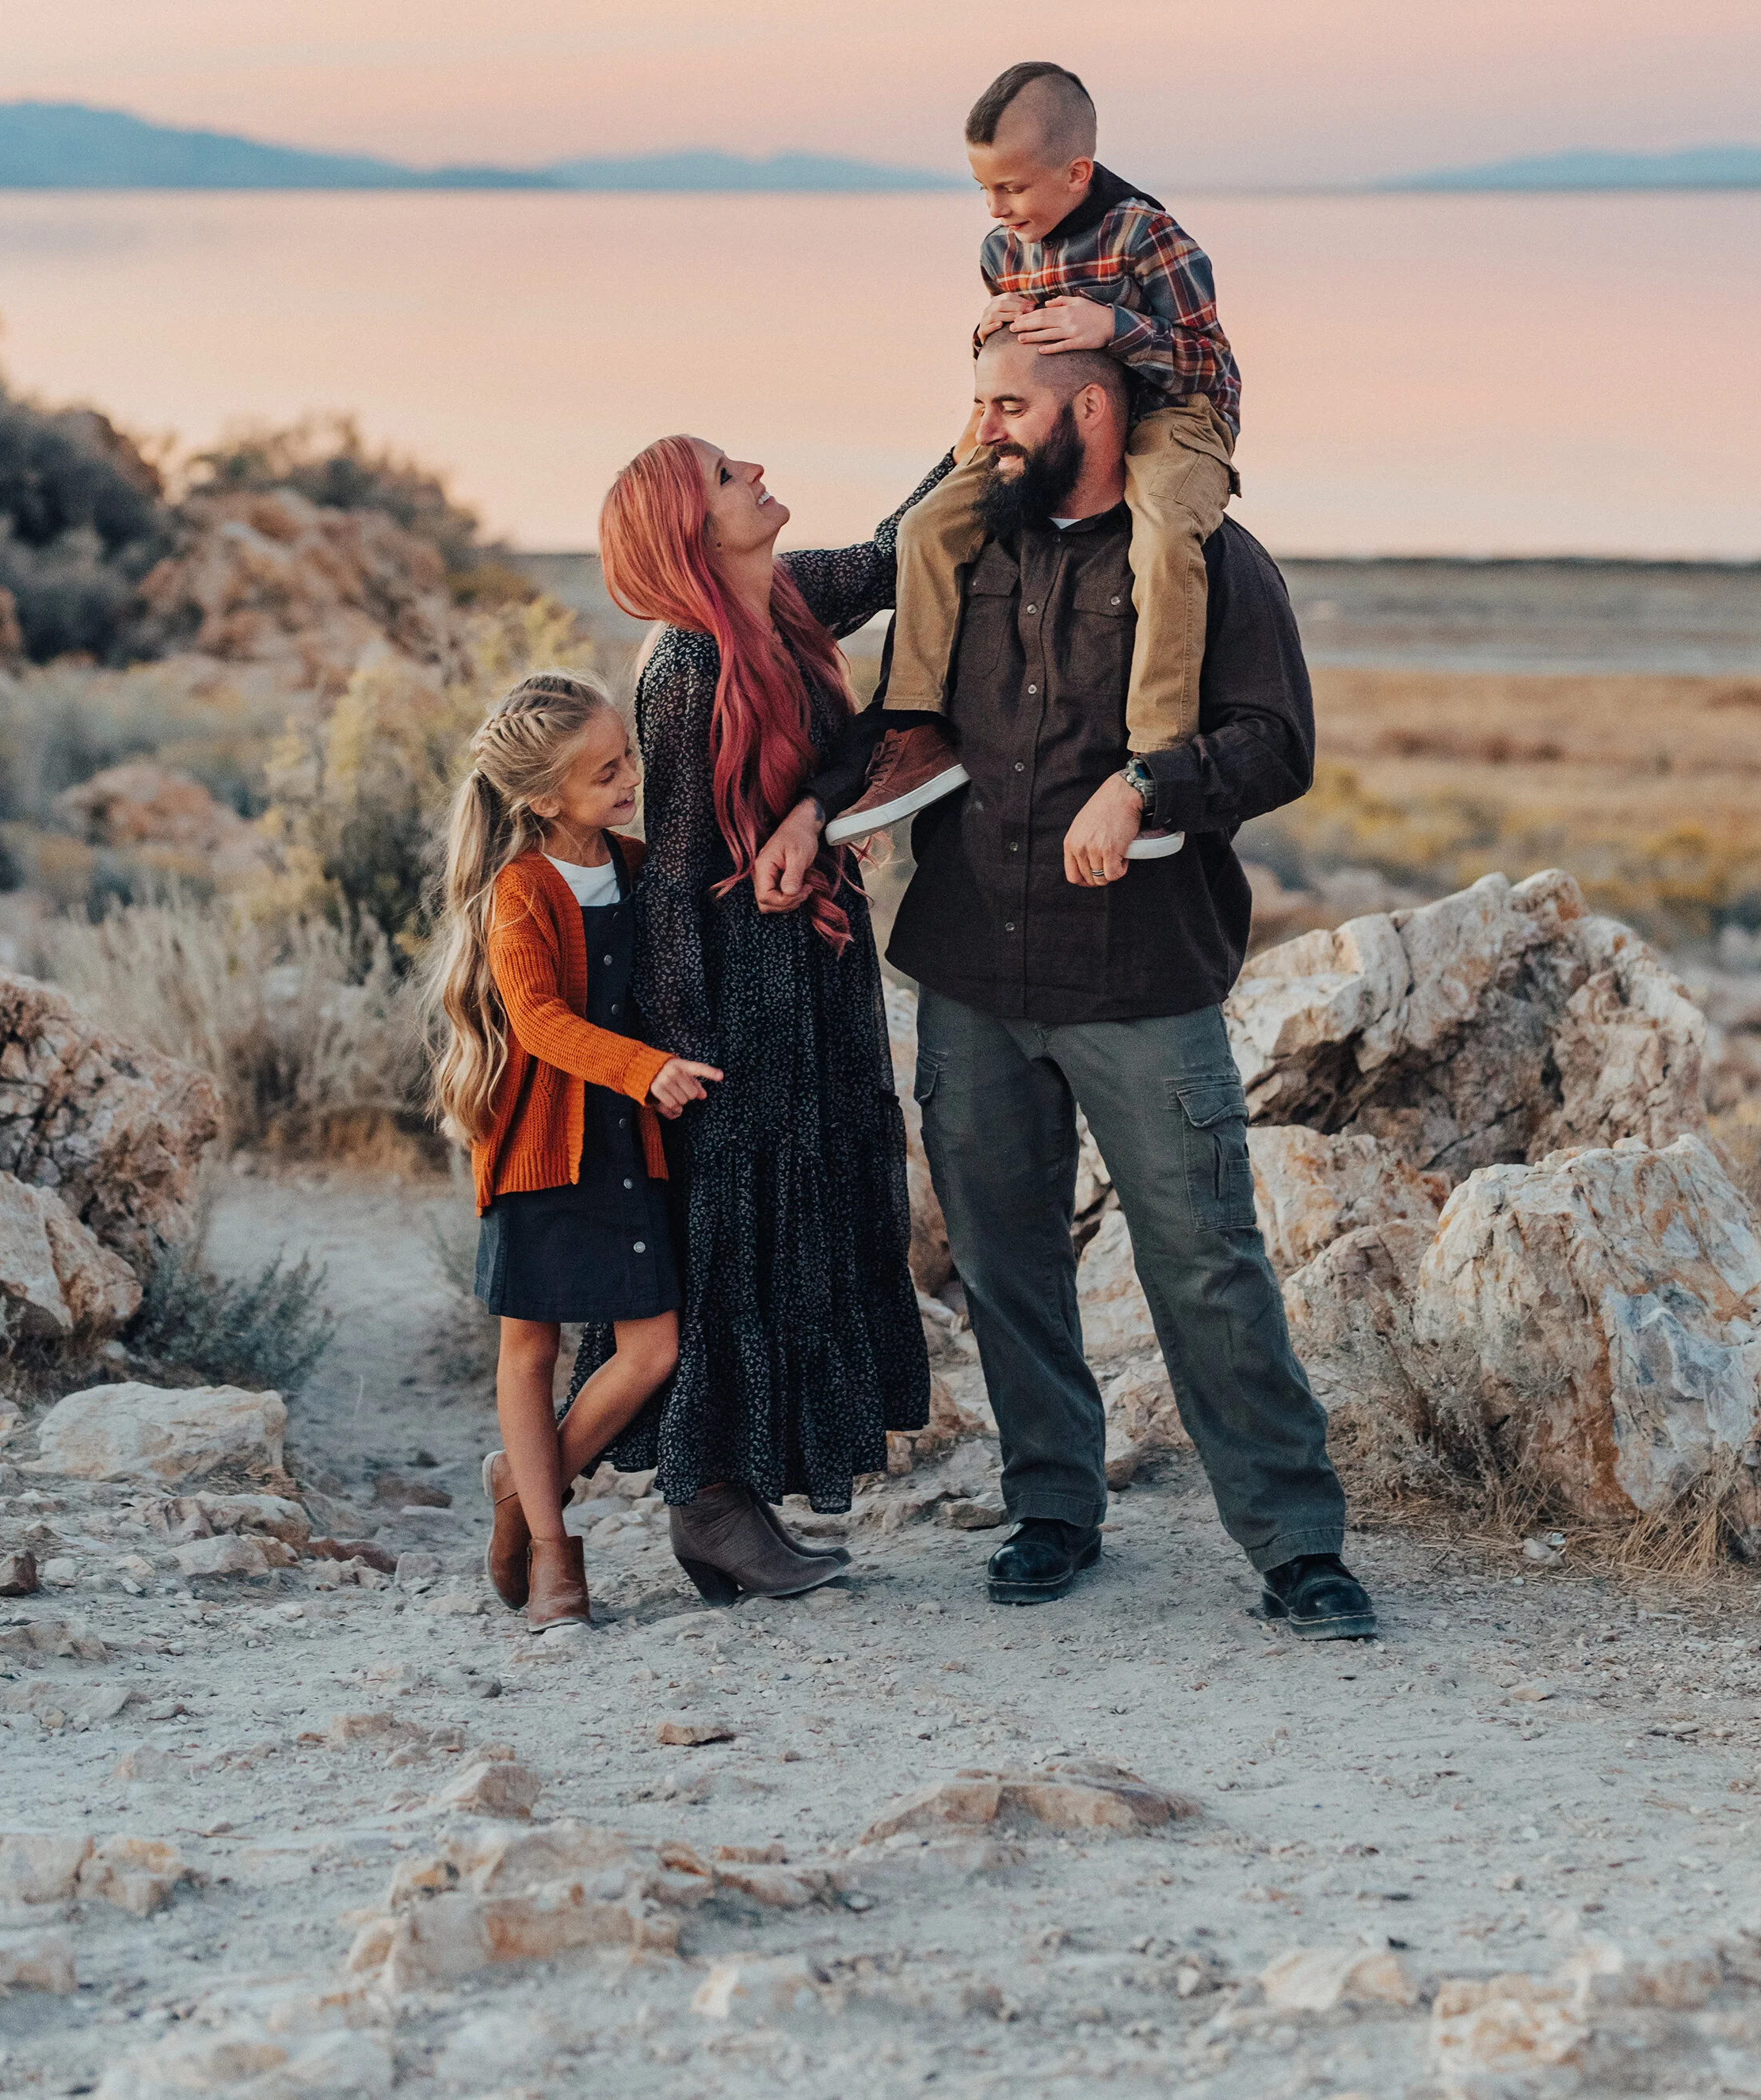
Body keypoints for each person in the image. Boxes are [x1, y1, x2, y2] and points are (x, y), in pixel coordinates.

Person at [779, 330, 1374, 1636]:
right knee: (1003, 1260)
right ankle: (1053, 1509)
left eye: (1006, 405)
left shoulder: (1212, 558)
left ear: (1090, 412)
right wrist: (807, 816)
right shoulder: (962, 546)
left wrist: (1150, 781)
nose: (978, 429)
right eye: (974, 401)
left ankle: (1295, 1544)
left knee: (1207, 1260)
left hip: (1143, 979)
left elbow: (1278, 746)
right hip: (970, 968)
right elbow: (901, 729)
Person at [593, 436, 950, 1599]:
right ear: (693, 528)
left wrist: (989, 406)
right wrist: (689, 1049)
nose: (753, 465)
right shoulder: (689, 661)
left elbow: (906, 549)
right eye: (721, 473)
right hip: (735, 992)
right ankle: (707, 1501)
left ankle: (741, 1504)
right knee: (737, 1238)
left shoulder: (784, 596)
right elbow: (678, 872)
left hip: (811, 969)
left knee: (808, 1224)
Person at [826, 60, 1242, 848]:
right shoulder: (1001, 251)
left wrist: (1112, 330)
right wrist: (990, 329)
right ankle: (916, 730)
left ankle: (1155, 757)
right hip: (1047, 419)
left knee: (1161, 534)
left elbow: (1208, 364)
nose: (995, 207)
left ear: (1077, 171)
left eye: (1012, 188)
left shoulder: (1151, 239)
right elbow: (1009, 364)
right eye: (985, 189)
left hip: (1170, 412)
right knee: (927, 528)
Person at [429, 670, 721, 1631]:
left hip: (626, 1152)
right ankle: (555, 1555)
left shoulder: (638, 868)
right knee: (529, 1351)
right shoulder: (522, 891)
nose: (630, 778)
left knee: (652, 1348)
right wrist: (647, 1070)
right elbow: (543, 1022)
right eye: (606, 773)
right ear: (546, 798)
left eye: (627, 757)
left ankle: (521, 1484)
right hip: (539, 1151)